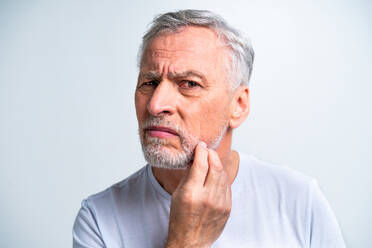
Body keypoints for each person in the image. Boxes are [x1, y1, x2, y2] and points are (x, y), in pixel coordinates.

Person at [72, 9, 345, 248]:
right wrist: (186, 241)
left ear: (238, 105)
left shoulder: (300, 201)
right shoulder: (99, 220)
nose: (156, 105)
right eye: (150, 82)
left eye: (189, 83)